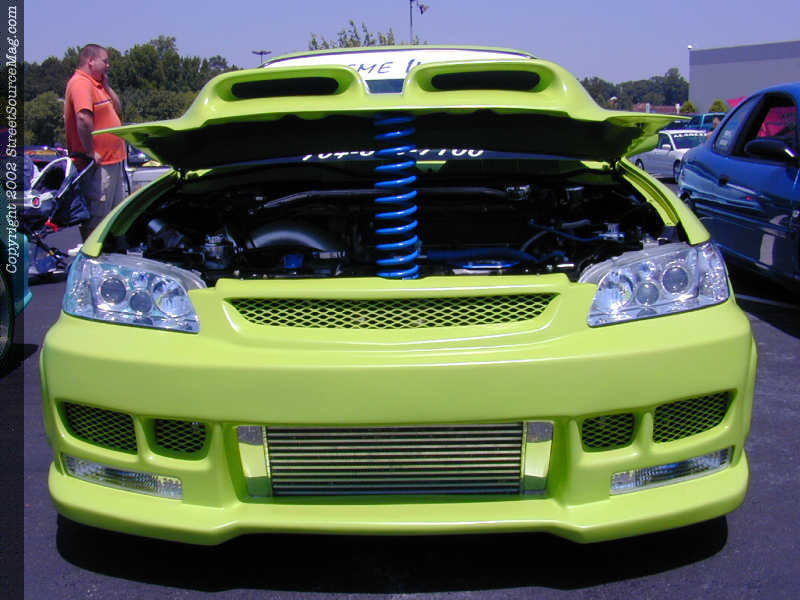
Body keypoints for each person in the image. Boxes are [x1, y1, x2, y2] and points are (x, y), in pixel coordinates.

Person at [63, 44, 126, 251]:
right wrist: (90, 151)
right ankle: (93, 257)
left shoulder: (98, 86)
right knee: (97, 217)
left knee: (115, 216)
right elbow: (83, 117)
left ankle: (113, 253)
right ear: (91, 61)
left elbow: (117, 108)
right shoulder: (81, 83)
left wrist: (106, 85)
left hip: (113, 161)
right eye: (105, 61)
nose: (108, 65)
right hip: (97, 165)